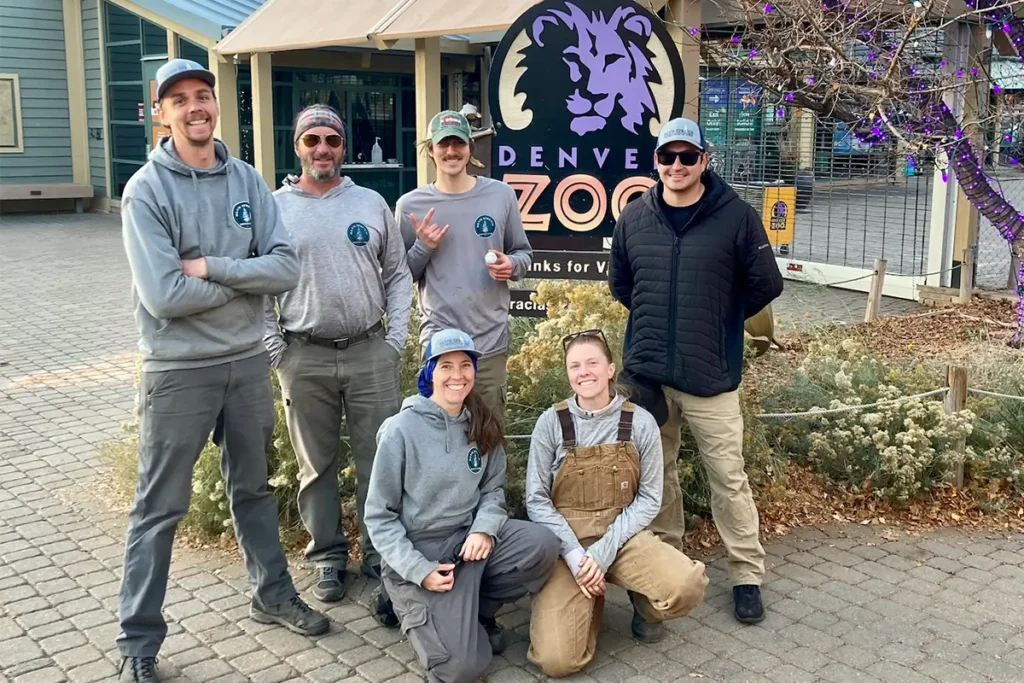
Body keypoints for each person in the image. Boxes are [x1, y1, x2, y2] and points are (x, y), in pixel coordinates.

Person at [116, 59, 327, 683]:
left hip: (244, 364)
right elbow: (163, 296)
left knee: (253, 489)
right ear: (163, 114)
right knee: (159, 508)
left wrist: (210, 268)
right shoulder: (146, 191)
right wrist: (245, 279)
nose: (194, 107)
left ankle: (271, 593)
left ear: (216, 104)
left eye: (203, 95)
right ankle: (137, 642)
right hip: (178, 370)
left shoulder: (247, 182)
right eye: (178, 99)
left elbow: (286, 270)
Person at [609, 117, 784, 624]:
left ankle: (747, 574)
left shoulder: (737, 217)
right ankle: (666, 567)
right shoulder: (636, 217)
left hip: (711, 375)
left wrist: (718, 314)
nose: (678, 166)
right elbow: (624, 284)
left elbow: (764, 284)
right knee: (657, 478)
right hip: (648, 375)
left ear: (705, 161)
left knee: (728, 478)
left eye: (689, 157)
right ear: (657, 161)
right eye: (669, 157)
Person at [264, 104, 413, 602]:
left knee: (381, 459)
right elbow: (258, 283)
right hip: (302, 354)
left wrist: (394, 341)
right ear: (298, 146)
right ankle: (327, 555)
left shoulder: (371, 202)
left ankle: (378, 551)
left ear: (343, 147)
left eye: (331, 140)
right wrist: (275, 348)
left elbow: (396, 274)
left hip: (371, 351)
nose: (322, 149)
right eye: (312, 141)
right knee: (315, 464)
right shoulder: (274, 207)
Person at [364, 329, 560, 683]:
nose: (457, 375)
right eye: (446, 366)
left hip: (469, 544)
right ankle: (405, 599)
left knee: (542, 545)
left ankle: (477, 612)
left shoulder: (481, 424)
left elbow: (493, 489)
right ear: (429, 373)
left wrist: (484, 528)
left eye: (465, 365)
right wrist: (417, 568)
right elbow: (379, 517)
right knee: (462, 670)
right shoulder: (400, 430)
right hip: (423, 551)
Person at [525, 329, 708, 676]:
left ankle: (643, 603)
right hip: (569, 545)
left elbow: (650, 497)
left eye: (592, 363)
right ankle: (587, 601)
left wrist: (603, 553)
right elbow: (536, 500)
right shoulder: (551, 423)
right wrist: (579, 558)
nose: (584, 372)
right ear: (568, 373)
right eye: (575, 366)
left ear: (610, 369)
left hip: (624, 539)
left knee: (686, 586)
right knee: (556, 661)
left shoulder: (639, 421)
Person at [396, 111, 533, 415]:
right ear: (430, 150)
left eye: (458, 143)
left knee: (489, 436)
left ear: (470, 148)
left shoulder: (500, 195)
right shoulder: (410, 206)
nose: (451, 151)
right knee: (440, 438)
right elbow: (400, 277)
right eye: (443, 144)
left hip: (489, 343)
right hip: (439, 345)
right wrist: (424, 247)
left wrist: (511, 265)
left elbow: (524, 253)